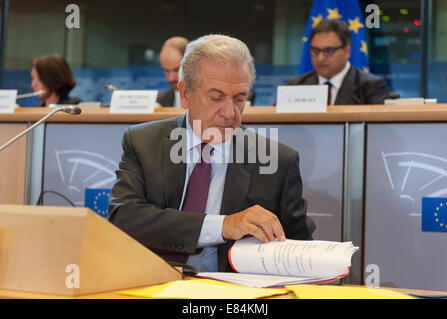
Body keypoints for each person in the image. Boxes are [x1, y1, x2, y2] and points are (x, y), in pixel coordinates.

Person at [108, 34, 315, 273]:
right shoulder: (143, 143)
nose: (229, 113)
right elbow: (124, 218)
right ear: (185, 94)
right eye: (216, 98)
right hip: (151, 284)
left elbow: (299, 249)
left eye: (240, 99)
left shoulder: (277, 161)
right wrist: (223, 225)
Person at [287, 19, 390, 105]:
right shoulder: (295, 86)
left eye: (329, 51)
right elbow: (275, 127)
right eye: (315, 51)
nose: (320, 58)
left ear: (347, 51)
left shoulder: (370, 87)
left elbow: (380, 128)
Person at [156, 36, 189, 107]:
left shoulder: (209, 100)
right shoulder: (158, 102)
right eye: (166, 71)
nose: (171, 78)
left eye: (177, 70)